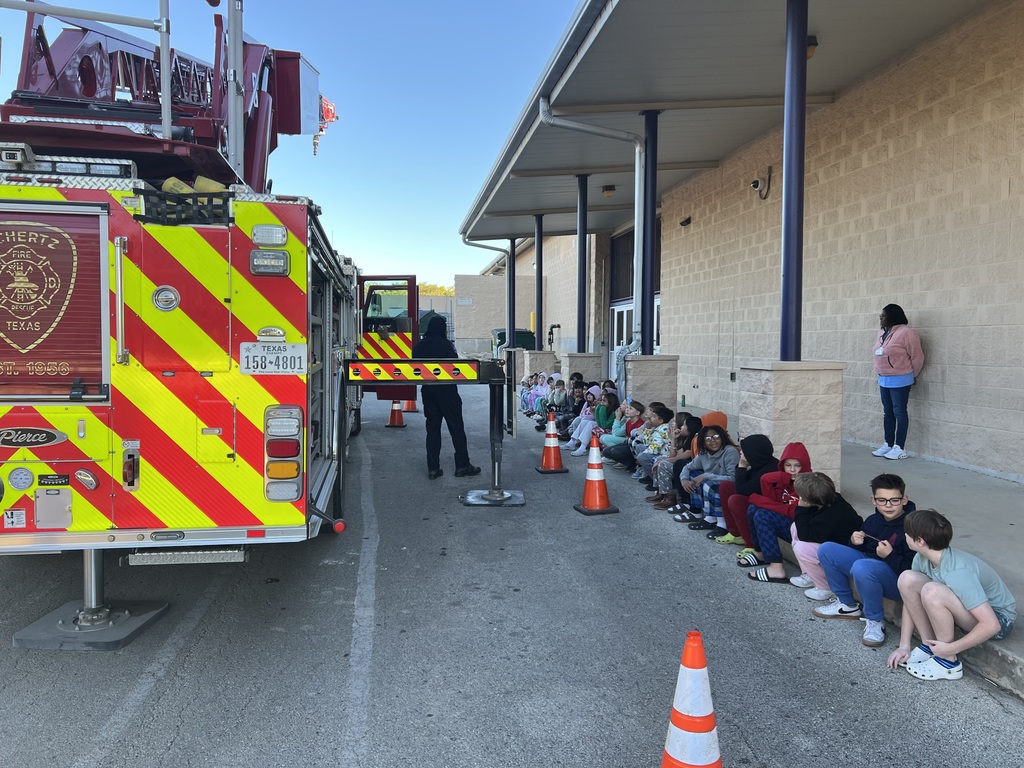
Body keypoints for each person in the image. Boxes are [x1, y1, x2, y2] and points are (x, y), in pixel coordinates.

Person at [886, 509, 1016, 681]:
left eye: (908, 533)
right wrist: (904, 645)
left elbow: (992, 625)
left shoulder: (957, 571)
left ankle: (947, 662)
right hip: (968, 609)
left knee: (932, 590)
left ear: (920, 541)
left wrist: (951, 648)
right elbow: (911, 601)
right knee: (907, 579)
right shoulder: (921, 557)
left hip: (999, 618)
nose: (905, 535)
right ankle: (928, 646)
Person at [813, 473, 916, 647]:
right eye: (882, 500)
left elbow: (914, 571)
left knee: (863, 566)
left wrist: (889, 556)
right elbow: (862, 552)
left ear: (904, 499)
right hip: (868, 569)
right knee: (827, 549)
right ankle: (847, 605)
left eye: (894, 500)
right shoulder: (872, 521)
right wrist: (854, 543)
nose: (888, 505)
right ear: (873, 500)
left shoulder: (913, 526)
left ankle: (875, 620)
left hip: (898, 581)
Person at [748, 471, 860, 585]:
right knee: (793, 527)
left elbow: (805, 536)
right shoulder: (826, 500)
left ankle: (823, 585)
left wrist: (801, 508)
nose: (799, 498)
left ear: (809, 499)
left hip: (838, 548)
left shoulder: (830, 515)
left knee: (801, 546)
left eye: (800, 496)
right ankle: (808, 574)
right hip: (825, 539)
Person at [411, 316, 480, 480]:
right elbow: (455, 366)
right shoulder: (447, 345)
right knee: (456, 427)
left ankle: (433, 468)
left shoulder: (420, 346)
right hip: (447, 392)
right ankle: (462, 466)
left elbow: (413, 366)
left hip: (428, 392)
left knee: (432, 429)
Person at [736, 442, 811, 566]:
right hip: (787, 523)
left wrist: (761, 501)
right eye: (788, 465)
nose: (792, 470)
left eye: (797, 466)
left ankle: (776, 566)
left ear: (805, 466)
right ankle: (760, 553)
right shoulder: (783, 481)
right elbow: (765, 481)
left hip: (802, 529)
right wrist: (783, 476)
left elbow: (793, 512)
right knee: (753, 509)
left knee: (762, 514)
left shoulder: (808, 485)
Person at [871, 303, 924, 461]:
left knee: (899, 411)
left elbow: (917, 357)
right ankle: (888, 443)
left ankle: (899, 447)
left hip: (900, 379)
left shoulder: (907, 333)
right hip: (884, 379)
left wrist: (912, 375)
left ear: (892, 316)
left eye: (883, 315)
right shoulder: (882, 332)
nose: (881, 318)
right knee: (888, 412)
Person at [716, 434, 777, 546]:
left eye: (744, 451)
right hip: (753, 496)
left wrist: (742, 466)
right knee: (725, 487)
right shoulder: (759, 462)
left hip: (766, 506)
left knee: (736, 500)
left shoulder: (770, 469)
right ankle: (736, 533)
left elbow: (741, 490)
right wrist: (741, 467)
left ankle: (752, 544)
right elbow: (741, 484)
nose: (740, 453)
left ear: (754, 453)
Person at [675, 425, 740, 530]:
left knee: (707, 482)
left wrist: (705, 476)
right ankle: (705, 516)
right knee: (693, 476)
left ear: (722, 437)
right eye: (708, 439)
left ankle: (721, 523)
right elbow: (687, 467)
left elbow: (733, 478)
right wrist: (684, 480)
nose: (713, 441)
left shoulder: (730, 451)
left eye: (716, 436)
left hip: (728, 487)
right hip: (712, 484)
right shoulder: (704, 454)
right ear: (703, 442)